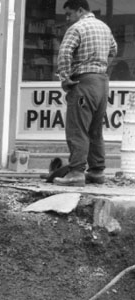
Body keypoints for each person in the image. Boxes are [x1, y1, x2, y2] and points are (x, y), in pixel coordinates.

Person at [53, 0, 117, 186]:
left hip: (83, 82)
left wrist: (65, 77)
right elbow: (114, 49)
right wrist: (100, 67)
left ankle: (76, 173)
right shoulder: (104, 27)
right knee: (95, 129)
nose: (67, 18)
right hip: (101, 82)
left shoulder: (77, 28)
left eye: (69, 13)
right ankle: (97, 171)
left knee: (77, 129)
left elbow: (64, 53)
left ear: (80, 10)